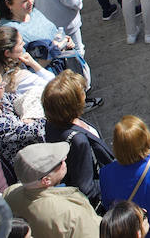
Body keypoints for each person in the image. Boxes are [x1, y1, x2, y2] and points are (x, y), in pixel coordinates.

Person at [42, 71, 114, 209]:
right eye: (81, 91)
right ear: (72, 103)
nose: (84, 93)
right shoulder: (78, 141)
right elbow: (85, 186)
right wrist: (114, 182)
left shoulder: (53, 122)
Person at [2, 142, 102, 237]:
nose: (65, 158)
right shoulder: (72, 214)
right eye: (60, 162)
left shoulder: (10, 193)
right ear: (46, 180)